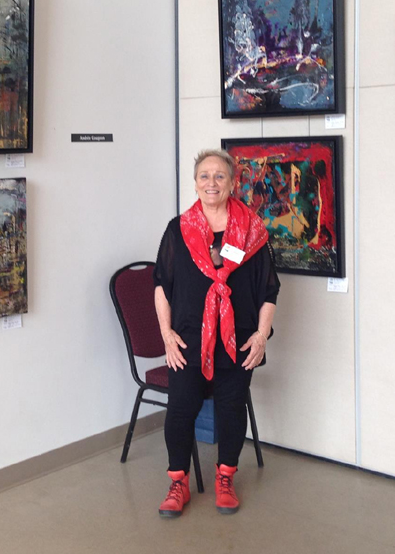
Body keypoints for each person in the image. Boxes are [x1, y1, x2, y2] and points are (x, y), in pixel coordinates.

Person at [153, 149, 279, 518]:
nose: (212, 183)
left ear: (233, 183)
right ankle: (178, 482)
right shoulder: (178, 230)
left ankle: (225, 477)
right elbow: (161, 285)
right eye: (204, 176)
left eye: (220, 176)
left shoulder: (252, 230)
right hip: (188, 338)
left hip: (238, 339)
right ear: (195, 183)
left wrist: (261, 335)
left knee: (231, 409)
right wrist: (166, 334)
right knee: (180, 410)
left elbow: (269, 290)